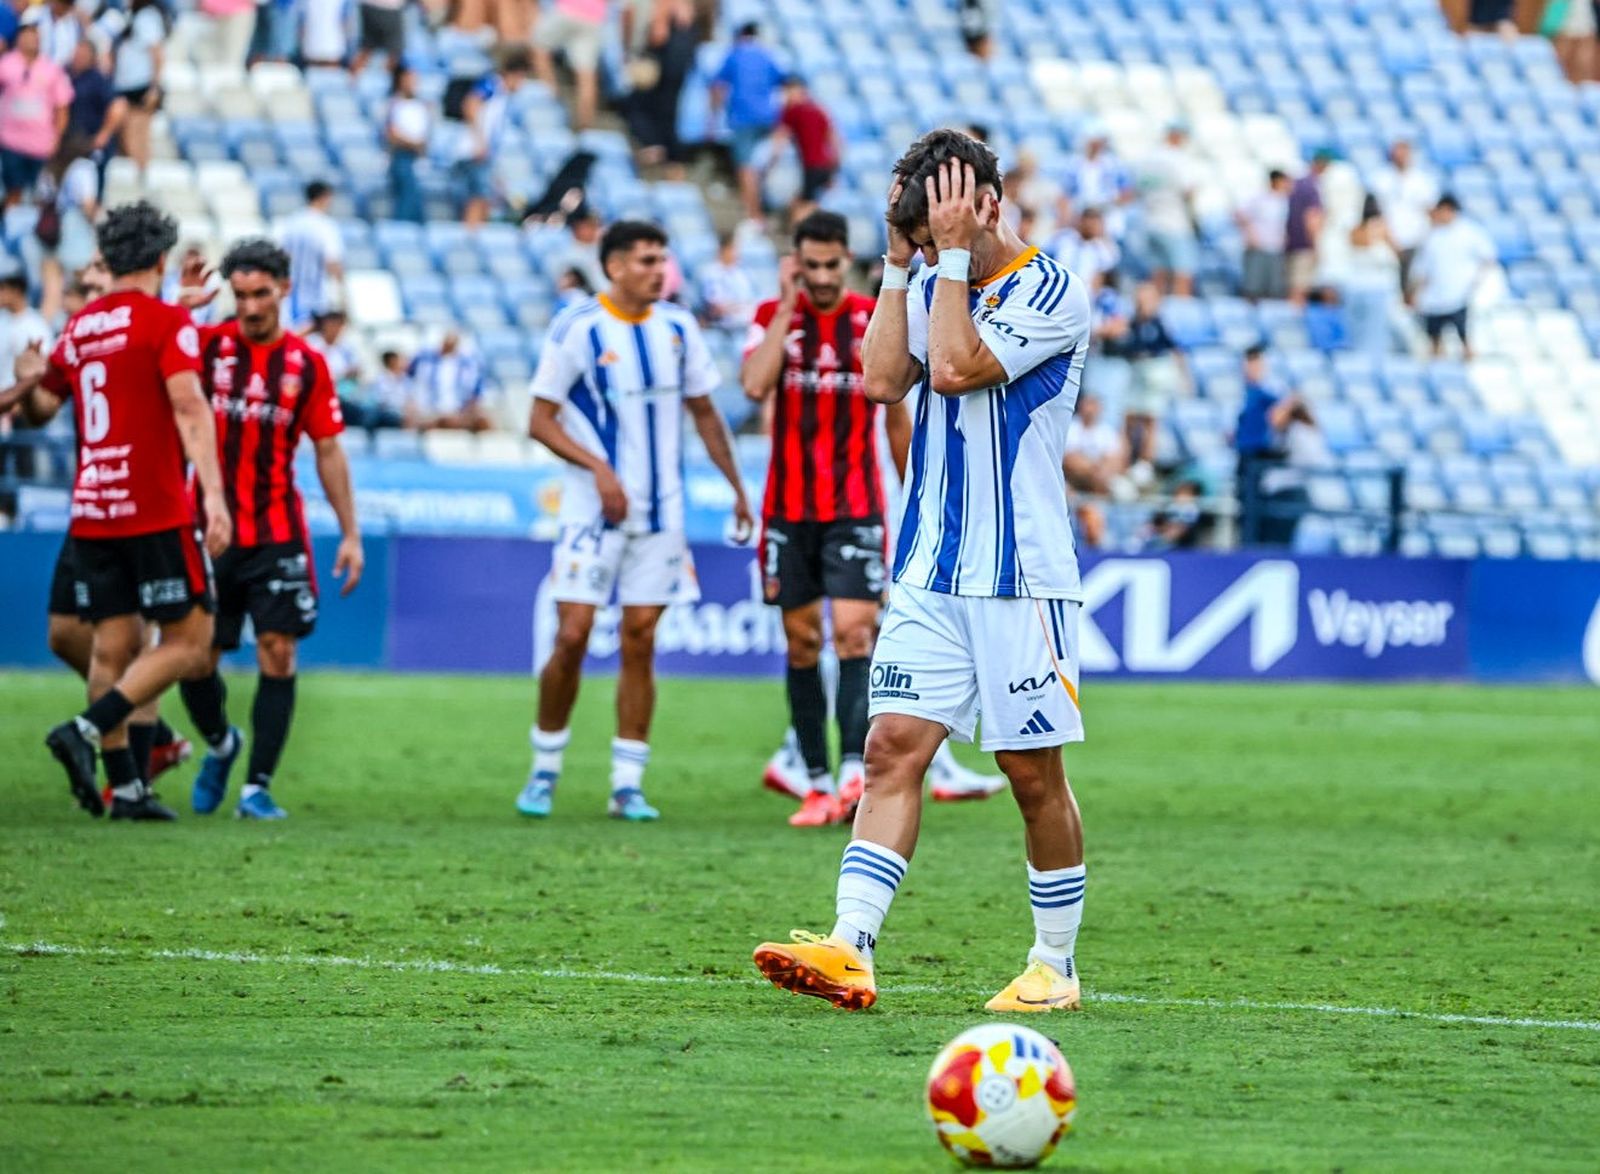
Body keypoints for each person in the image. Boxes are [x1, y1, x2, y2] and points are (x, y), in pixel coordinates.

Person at [754, 129, 1093, 1014]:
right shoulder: (933, 276)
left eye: (945, 211)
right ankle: (850, 945)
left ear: (989, 200)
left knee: (1030, 774)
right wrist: (899, 266)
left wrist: (943, 261)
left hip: (1020, 577)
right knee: (888, 750)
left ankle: (1054, 965)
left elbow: (951, 368)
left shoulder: (1049, 287)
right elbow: (878, 382)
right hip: (931, 571)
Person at [518, 220, 755, 821]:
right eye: (647, 260)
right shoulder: (577, 327)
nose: (660, 270)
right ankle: (545, 767)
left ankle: (627, 783)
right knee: (572, 635)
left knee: (641, 639)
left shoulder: (678, 328)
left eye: (663, 259)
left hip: (662, 514)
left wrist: (737, 489)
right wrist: (599, 470)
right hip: (590, 512)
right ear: (615, 266)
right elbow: (539, 419)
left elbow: (704, 412)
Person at [16, 202, 230, 821]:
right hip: (153, 508)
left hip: (92, 509)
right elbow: (189, 408)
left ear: (111, 257)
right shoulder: (166, 322)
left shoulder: (81, 326)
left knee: (114, 648)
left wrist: (29, 372)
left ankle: (129, 791)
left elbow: (40, 410)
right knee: (191, 644)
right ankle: (85, 729)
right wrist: (212, 496)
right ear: (162, 259)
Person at [179, 239, 363, 821]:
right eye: (240, 296)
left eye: (261, 294)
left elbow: (329, 450)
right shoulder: (206, 348)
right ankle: (220, 744)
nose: (251, 307)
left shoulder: (306, 365)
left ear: (284, 288)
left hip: (277, 531)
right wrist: (181, 307)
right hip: (209, 528)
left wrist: (351, 532)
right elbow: (151, 361)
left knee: (278, 653)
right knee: (197, 659)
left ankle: (257, 786)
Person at [739, 211, 909, 827]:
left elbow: (894, 414)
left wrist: (916, 492)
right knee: (803, 641)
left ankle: (854, 779)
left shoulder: (874, 317)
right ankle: (813, 781)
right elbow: (755, 386)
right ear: (795, 264)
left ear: (847, 259)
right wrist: (786, 308)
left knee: (857, 635)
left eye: (830, 264)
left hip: (856, 507)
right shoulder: (771, 319)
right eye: (809, 266)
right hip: (788, 509)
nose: (821, 277)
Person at [1234, 343, 1314, 547]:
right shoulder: (1247, 393)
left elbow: (1292, 401)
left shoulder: (1269, 391)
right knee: (1246, 512)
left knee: (1257, 515)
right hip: (1247, 458)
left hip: (1260, 458)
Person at [1106, 281, 1183, 482]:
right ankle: (1126, 462)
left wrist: (1183, 377)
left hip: (1153, 369)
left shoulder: (1158, 323)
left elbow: (1174, 348)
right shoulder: (1134, 323)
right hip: (1136, 370)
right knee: (1129, 416)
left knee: (1150, 418)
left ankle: (1145, 462)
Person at [709, 22, 783, 225]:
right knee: (761, 163)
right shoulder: (766, 54)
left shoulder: (735, 54)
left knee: (745, 166)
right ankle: (760, 205)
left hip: (743, 118)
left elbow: (718, 86)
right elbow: (782, 82)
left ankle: (754, 214)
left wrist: (712, 118)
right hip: (768, 117)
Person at [1408, 194, 1496, 361]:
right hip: (1435, 298)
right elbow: (1423, 270)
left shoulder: (1469, 232)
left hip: (1460, 295)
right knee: (1434, 341)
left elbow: (1488, 258)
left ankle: (1470, 370)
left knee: (1465, 339)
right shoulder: (1431, 237)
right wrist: (1416, 293)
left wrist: (1477, 283)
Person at [0, 11, 73, 208]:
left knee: (39, 196)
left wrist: (56, 138)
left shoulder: (51, 69)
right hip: (10, 141)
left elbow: (62, 107)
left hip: (41, 143)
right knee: (12, 191)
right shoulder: (6, 64)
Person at [455, 46, 531, 228]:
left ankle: (478, 234)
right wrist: (480, 141)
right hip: (475, 149)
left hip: (485, 152)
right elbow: (470, 104)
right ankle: (471, 234)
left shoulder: (502, 94)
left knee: (486, 198)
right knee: (478, 197)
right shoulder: (492, 84)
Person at [768, 75, 840, 226]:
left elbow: (781, 137)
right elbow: (835, 141)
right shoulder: (819, 109)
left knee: (805, 206)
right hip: (824, 165)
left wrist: (770, 163)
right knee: (803, 200)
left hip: (811, 165)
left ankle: (801, 238)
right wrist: (834, 169)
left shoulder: (792, 110)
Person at [1368, 140, 1438, 291]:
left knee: (1413, 283)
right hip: (1386, 241)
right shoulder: (1381, 179)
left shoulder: (1421, 180)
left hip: (1416, 241)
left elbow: (1430, 211)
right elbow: (1375, 212)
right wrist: (1390, 239)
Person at [1138, 123, 1199, 297]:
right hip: (1174, 222)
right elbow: (1188, 190)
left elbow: (1138, 189)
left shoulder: (1148, 159)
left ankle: (1155, 314)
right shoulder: (1178, 158)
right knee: (1183, 273)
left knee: (1157, 274)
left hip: (1150, 221)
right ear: (1177, 136)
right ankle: (1182, 316)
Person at [275, 180, 345, 330]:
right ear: (325, 197)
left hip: (291, 297)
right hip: (316, 300)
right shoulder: (325, 226)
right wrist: (343, 296)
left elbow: (280, 256)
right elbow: (332, 263)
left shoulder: (291, 222)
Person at [1061, 392, 1127, 549]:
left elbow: (1116, 462)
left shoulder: (1107, 432)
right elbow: (1068, 461)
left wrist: (1092, 469)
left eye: (1094, 405)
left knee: (1125, 491)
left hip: (1099, 483)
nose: (1090, 409)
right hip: (1073, 481)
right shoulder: (1070, 427)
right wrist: (1095, 469)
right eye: (1087, 405)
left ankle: (1124, 541)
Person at [108, 0, 164, 177]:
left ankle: (140, 179)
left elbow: (157, 52)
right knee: (122, 139)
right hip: (123, 84)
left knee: (137, 138)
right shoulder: (129, 14)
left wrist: (154, 87)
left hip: (140, 85)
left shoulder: (148, 16)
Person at [534, 0, 607, 131]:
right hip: (594, 17)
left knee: (538, 46)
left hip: (567, 10)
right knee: (586, 74)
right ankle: (586, 127)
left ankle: (551, 96)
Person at [1343, 199, 1401, 358]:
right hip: (1371, 288)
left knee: (1363, 333)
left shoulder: (1355, 230)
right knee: (1370, 333)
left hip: (1358, 287)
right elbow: (1395, 249)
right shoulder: (1376, 229)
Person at [1057, 122, 1133, 242]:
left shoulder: (1114, 164)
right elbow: (1065, 195)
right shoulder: (1075, 165)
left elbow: (1126, 193)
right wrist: (1066, 219)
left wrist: (1107, 204)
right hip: (1082, 219)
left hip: (1108, 218)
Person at [407, 329, 491, 431]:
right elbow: (408, 379)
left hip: (458, 411)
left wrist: (467, 410)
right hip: (428, 409)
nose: (448, 346)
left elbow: (476, 391)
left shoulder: (466, 365)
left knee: (483, 421)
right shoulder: (424, 359)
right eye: (447, 343)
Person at [385, 64, 430, 225]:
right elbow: (391, 133)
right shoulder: (394, 103)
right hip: (401, 157)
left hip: (416, 157)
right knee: (406, 198)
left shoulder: (421, 105)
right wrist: (412, 144)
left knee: (416, 201)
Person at [1236, 168, 1290, 301]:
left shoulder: (1284, 201)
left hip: (1276, 249)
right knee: (1254, 286)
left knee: (1274, 287)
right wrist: (1250, 233)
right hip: (1259, 247)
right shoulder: (1259, 199)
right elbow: (1239, 214)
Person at [1285, 150, 1331, 306]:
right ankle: (1294, 325)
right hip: (1304, 244)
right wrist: (1316, 245)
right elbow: (1312, 218)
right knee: (1300, 288)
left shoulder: (1296, 184)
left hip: (1290, 242)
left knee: (1293, 285)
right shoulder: (1312, 187)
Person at [1045, 206, 1118, 294]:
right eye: (1089, 222)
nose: (1091, 227)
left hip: (1083, 294)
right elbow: (1045, 254)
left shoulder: (1101, 250)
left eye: (1095, 223)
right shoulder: (1063, 237)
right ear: (1081, 221)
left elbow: (1101, 277)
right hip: (1056, 288)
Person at [697, 231, 756, 337]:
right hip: (722, 330)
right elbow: (717, 308)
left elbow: (750, 301)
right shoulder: (711, 273)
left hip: (744, 327)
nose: (737, 253)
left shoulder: (741, 273)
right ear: (723, 250)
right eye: (733, 249)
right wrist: (740, 307)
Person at [352, 0, 406, 75]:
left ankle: (353, 80)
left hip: (369, 7)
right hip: (389, 8)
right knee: (394, 52)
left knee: (367, 48)